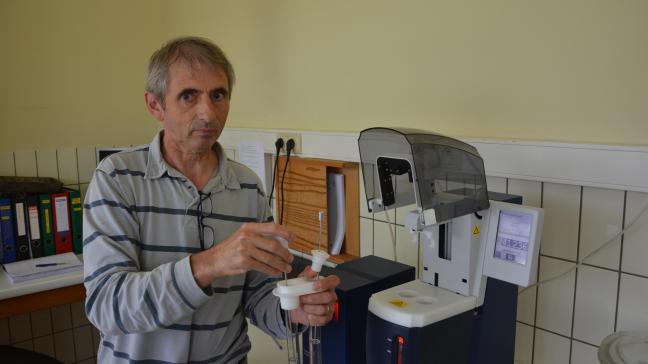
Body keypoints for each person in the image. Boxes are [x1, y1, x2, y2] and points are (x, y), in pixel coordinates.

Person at [83, 36, 340, 364]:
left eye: (218, 95)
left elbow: (258, 295)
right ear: (155, 105)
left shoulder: (248, 188)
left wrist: (291, 310)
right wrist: (211, 264)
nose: (207, 112)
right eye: (188, 96)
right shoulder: (116, 179)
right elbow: (107, 307)